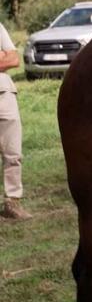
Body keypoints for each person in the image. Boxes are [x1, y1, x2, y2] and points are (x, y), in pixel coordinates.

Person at [0, 19, 30, 220]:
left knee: (13, 152)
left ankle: (12, 203)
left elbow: (13, 59)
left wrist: (5, 57)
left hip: (4, 95)